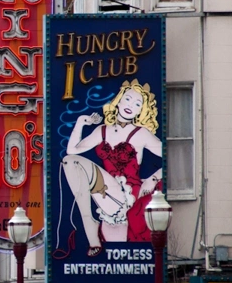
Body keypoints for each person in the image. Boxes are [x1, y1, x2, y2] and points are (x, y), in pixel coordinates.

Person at [59, 79, 163, 257]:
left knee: (72, 163)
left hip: (129, 193)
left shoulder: (141, 134)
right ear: (119, 100)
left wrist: (152, 180)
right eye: (128, 99)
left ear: (141, 111)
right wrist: (80, 122)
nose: (131, 105)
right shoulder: (102, 130)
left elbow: (170, 158)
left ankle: (95, 229)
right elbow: (72, 151)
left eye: (138, 104)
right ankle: (89, 223)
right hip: (106, 189)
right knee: (70, 162)